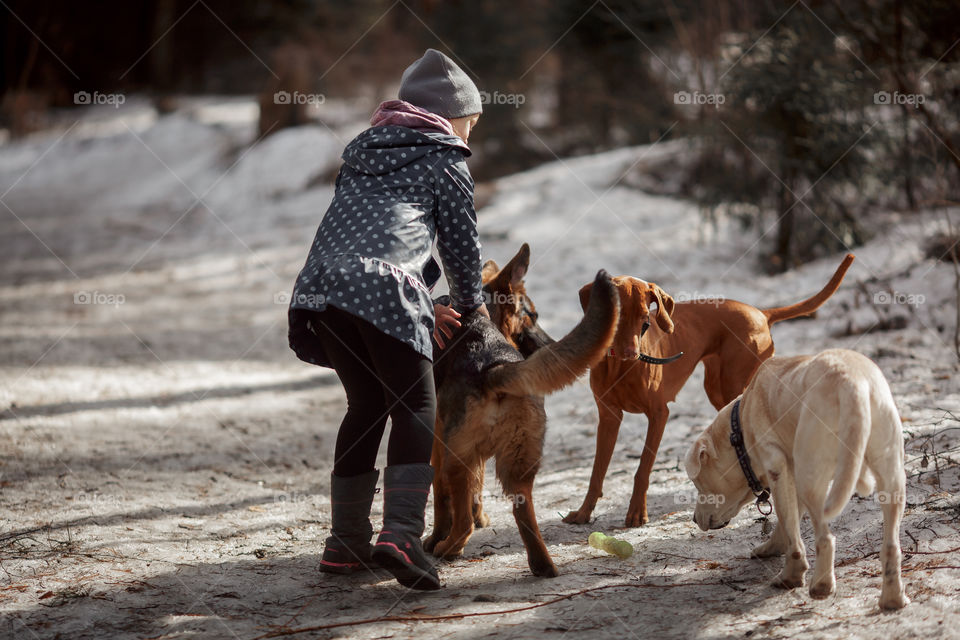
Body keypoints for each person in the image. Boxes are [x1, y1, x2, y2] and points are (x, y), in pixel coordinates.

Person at [287, 48, 487, 590]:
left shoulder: (362, 153)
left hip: (323, 289)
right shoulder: (445, 156)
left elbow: (371, 236)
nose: (471, 132)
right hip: (385, 289)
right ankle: (401, 535)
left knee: (367, 404)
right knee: (415, 405)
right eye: (470, 121)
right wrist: (471, 307)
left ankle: (345, 542)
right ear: (450, 117)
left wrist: (422, 298)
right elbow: (462, 248)